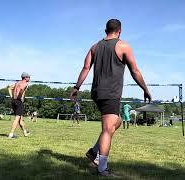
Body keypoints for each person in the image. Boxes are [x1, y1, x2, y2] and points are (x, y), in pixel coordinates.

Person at [70, 19, 151, 176]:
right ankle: (102, 167)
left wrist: (76, 87)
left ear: (105, 30)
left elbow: (86, 67)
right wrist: (145, 89)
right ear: (119, 31)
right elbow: (135, 71)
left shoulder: (95, 46)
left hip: (97, 93)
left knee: (117, 122)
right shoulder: (123, 46)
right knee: (108, 128)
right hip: (110, 93)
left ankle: (94, 151)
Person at [8, 72, 30, 139]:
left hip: (13, 101)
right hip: (18, 101)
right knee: (17, 118)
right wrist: (20, 97)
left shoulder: (17, 83)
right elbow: (21, 91)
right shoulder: (25, 84)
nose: (29, 78)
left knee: (20, 119)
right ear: (25, 78)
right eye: (28, 77)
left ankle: (25, 132)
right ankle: (11, 134)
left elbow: (9, 88)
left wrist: (12, 97)